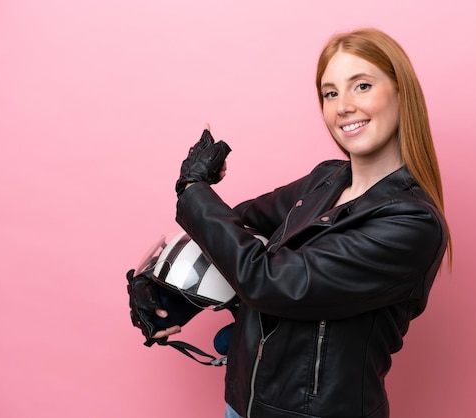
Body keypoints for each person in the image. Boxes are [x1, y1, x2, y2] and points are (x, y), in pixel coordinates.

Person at [159, 27, 451, 418]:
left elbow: (268, 281)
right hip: (241, 406)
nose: (343, 106)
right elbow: (232, 230)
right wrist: (166, 294)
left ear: (401, 93)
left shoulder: (412, 223)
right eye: (330, 93)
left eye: (361, 86)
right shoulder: (325, 179)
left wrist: (194, 189)